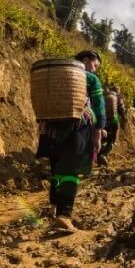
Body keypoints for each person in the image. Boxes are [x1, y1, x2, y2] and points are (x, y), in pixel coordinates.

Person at [35, 50, 106, 231]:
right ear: (85, 61)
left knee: (56, 168)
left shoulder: (51, 77)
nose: (95, 70)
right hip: (78, 128)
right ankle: (64, 215)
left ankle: (53, 206)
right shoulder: (89, 78)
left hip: (49, 129)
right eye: (95, 65)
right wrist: (98, 132)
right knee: (71, 170)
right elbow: (98, 105)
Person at [96, 85, 126, 167]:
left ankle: (99, 159)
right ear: (117, 91)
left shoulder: (102, 96)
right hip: (113, 121)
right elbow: (122, 112)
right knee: (112, 140)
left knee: (101, 140)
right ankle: (104, 154)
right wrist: (123, 122)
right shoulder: (118, 97)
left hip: (101, 121)